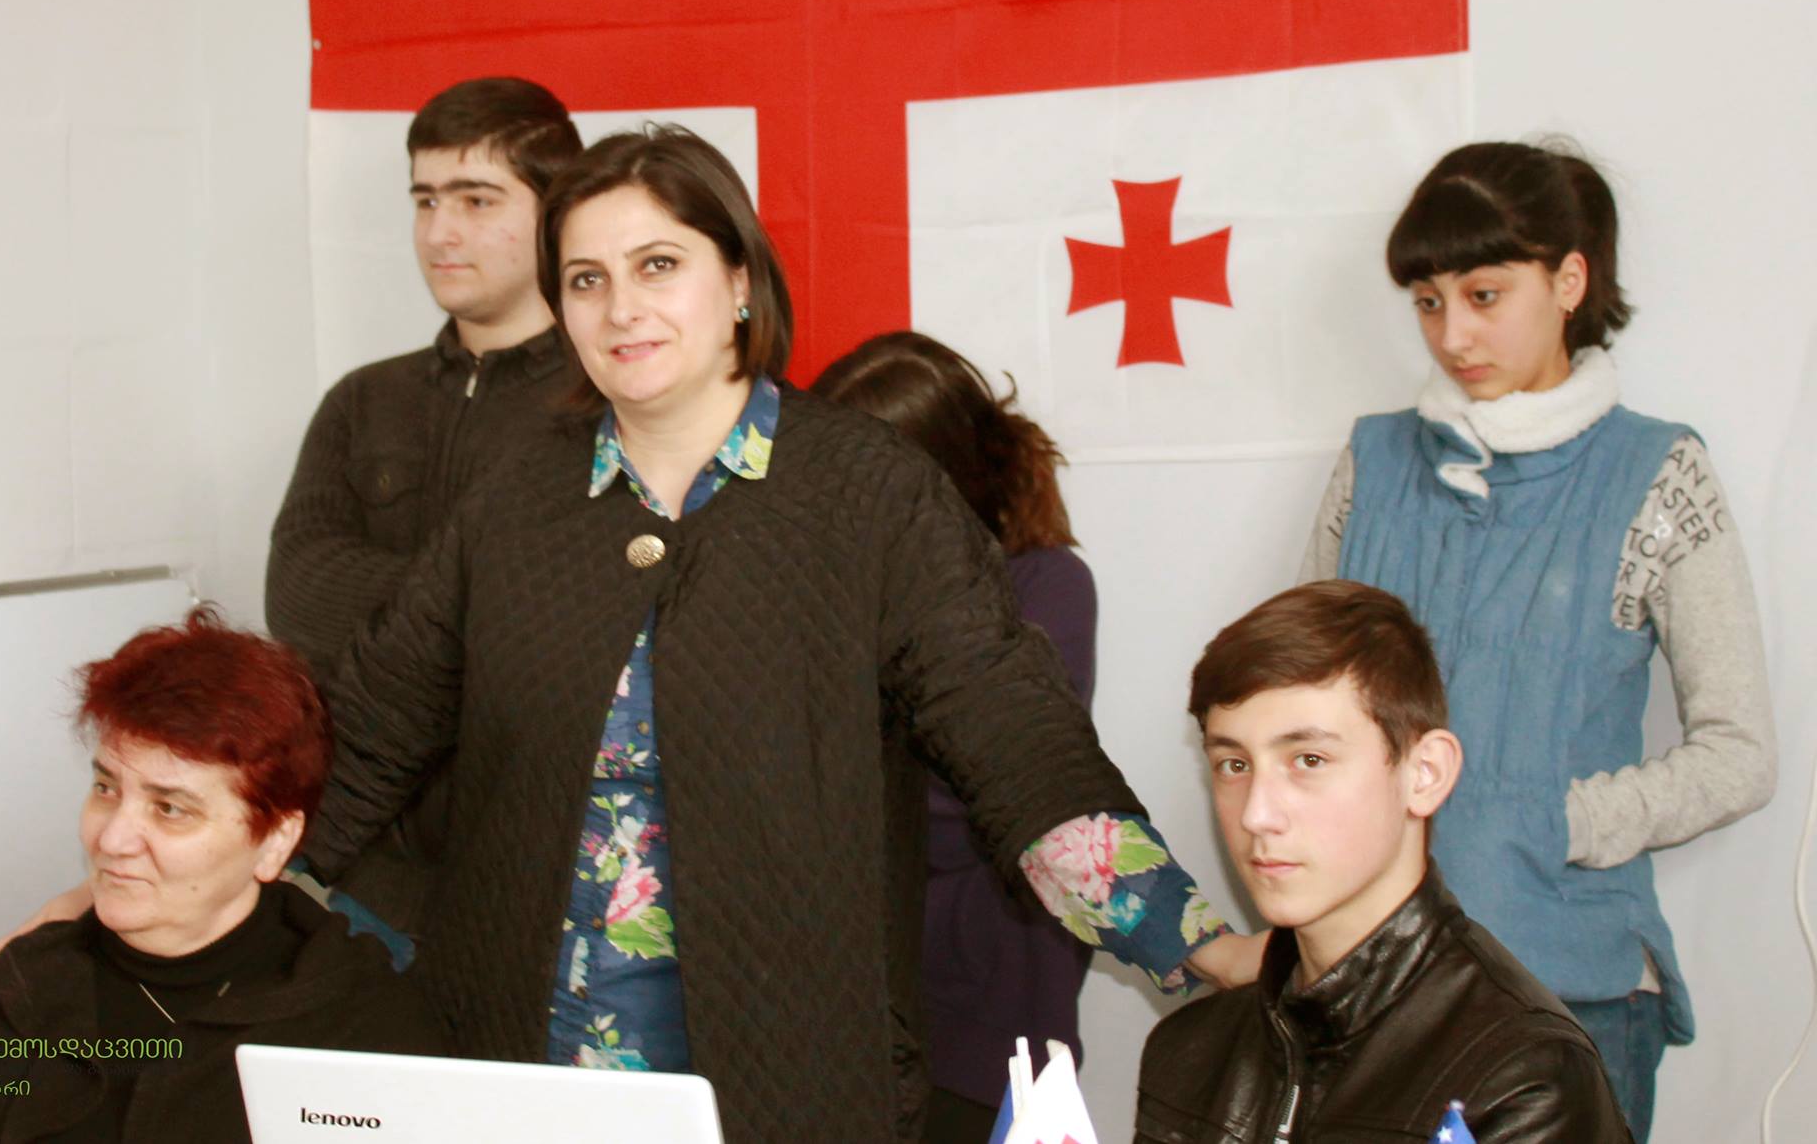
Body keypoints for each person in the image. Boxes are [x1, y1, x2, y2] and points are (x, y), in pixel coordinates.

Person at [298, 125, 1262, 1142]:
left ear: (739, 282)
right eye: (585, 279)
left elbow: (1016, 744)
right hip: (518, 1071)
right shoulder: (514, 501)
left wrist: (1200, 946)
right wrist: (212, 859)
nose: (621, 308)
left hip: (786, 1081)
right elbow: (364, 735)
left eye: (657, 265)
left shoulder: (867, 494)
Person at [1299, 140, 1775, 1138]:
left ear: (1567, 281)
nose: (1452, 333)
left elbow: (1739, 754)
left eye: (1483, 295)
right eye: (1427, 302)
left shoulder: (1656, 470)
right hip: (1368, 983)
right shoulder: (1372, 462)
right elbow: (1300, 711)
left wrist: (1553, 822)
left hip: (1569, 990)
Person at [0, 610, 448, 1143]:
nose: (112, 839)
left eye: (169, 808)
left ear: (275, 841)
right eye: (106, 788)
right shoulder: (6, 1003)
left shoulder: (366, 1033)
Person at [1136, 580, 1633, 1142]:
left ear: (1425, 774)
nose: (1257, 814)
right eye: (1234, 765)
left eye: (1309, 759)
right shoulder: (1187, 1052)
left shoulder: (1520, 1079)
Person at [266, 75, 580, 925]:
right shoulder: (363, 401)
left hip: (542, 882)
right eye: (426, 199)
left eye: (477, 200)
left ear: (556, 212)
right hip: (359, 873)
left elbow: (569, 642)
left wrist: (481, 617)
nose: (440, 232)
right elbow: (297, 595)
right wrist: (475, 605)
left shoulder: (602, 407)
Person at [811, 331, 1099, 1144]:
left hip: (987, 1017)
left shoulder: (1045, 585)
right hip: (847, 1012)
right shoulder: (822, 597)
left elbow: (979, 794)